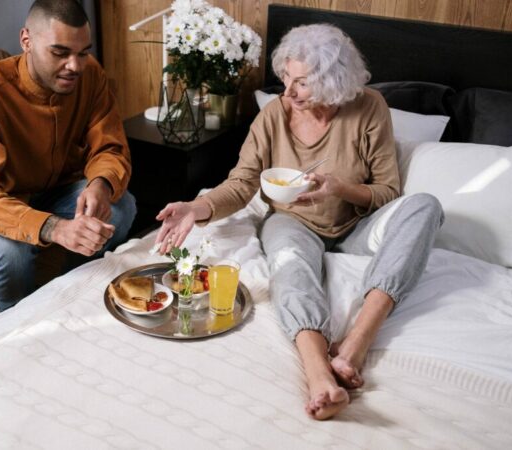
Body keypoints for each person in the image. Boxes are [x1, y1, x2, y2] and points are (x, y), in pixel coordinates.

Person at [154, 24, 443, 420]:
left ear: (333, 80)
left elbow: (388, 192)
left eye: (302, 83)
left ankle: (356, 343)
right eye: (286, 79)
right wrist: (196, 207)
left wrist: (339, 188)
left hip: (358, 225)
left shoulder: (369, 107)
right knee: (289, 265)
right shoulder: (274, 114)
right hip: (293, 221)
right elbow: (241, 184)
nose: (288, 92)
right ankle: (320, 373)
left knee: (425, 206)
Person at [0, 0, 136, 312]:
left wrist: (100, 183)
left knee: (120, 206)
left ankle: (68, 299)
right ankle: (21, 327)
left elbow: (109, 148)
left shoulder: (91, 77)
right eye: (60, 52)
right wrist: (55, 228)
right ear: (26, 41)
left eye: (83, 53)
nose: (75, 66)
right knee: (9, 250)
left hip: (55, 189)